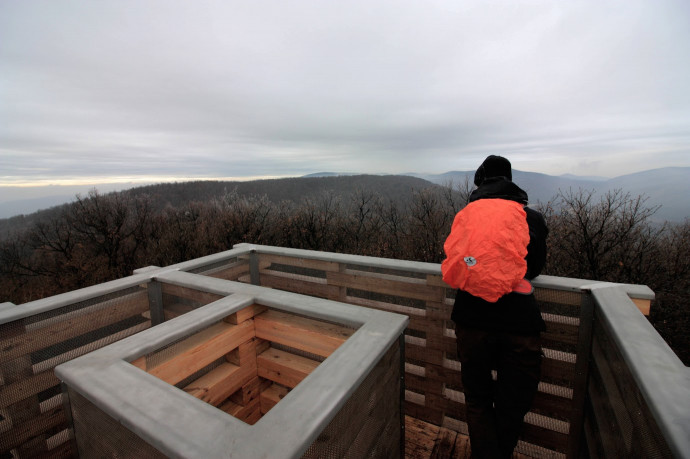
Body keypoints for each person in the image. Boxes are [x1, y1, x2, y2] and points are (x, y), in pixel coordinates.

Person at [445, 155, 548, 458]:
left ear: (480, 183)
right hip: (519, 324)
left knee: (477, 399)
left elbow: (458, 261)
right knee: (512, 403)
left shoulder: (466, 215)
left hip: (471, 320)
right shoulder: (530, 218)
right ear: (510, 181)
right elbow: (533, 268)